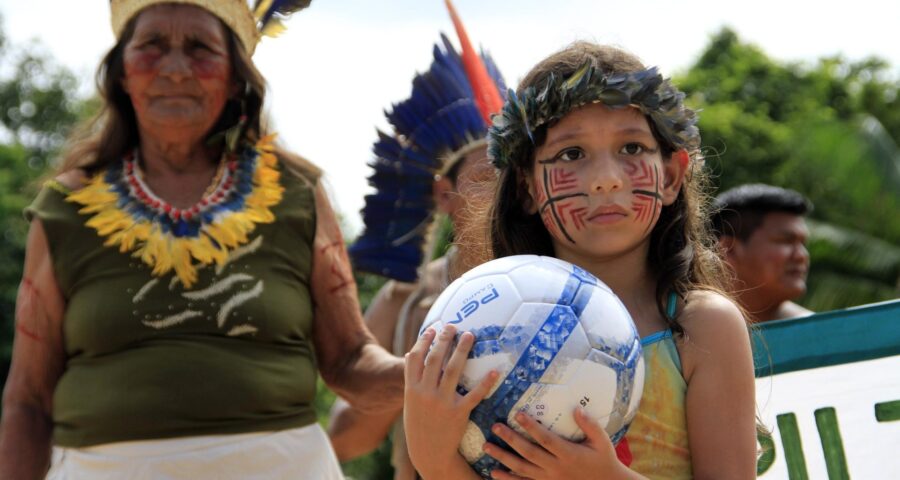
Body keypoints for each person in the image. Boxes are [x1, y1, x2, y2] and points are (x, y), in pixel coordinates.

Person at [0, 1, 403, 479]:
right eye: (151, 46)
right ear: (122, 73)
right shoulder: (66, 209)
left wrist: (420, 373)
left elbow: (350, 358)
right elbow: (27, 401)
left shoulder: (296, 193)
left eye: (200, 48)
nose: (174, 68)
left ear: (235, 78)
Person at [403, 42, 758, 479]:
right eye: (572, 154)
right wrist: (433, 457)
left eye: (631, 148)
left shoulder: (703, 326)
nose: (606, 180)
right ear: (527, 188)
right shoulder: (478, 331)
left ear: (670, 176)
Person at [328, 4, 505, 478]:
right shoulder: (407, 302)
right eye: (489, 175)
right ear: (444, 194)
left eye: (519, 174)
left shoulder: (567, 279)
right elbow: (353, 437)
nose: (509, 190)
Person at [711, 183, 814, 323]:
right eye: (786, 241)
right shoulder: (681, 329)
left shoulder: (825, 336)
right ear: (730, 249)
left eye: (803, 243)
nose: (802, 256)